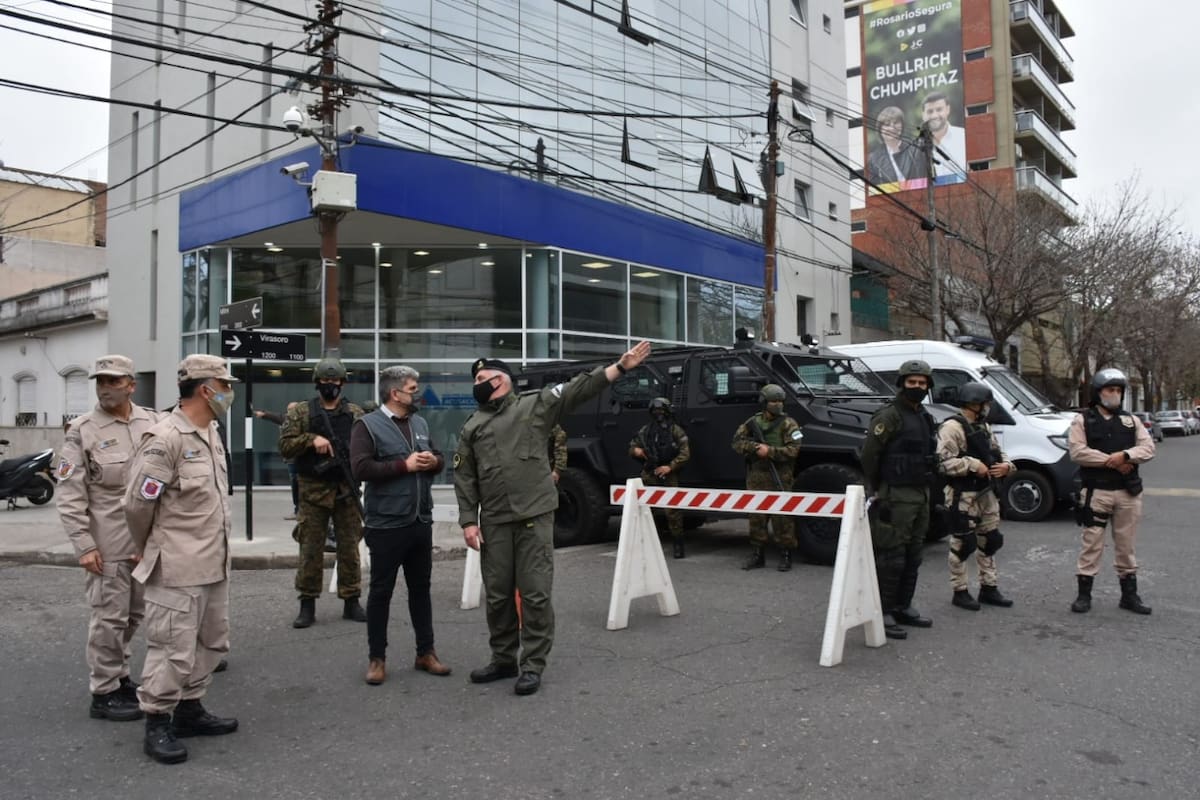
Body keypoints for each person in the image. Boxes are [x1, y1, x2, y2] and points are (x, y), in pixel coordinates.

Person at [455, 340, 652, 696]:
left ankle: (532, 664)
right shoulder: (473, 425)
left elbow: (579, 388)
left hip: (533, 516)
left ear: (501, 380)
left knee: (534, 594)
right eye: (475, 380)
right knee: (498, 595)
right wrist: (469, 520)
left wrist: (620, 367)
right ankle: (503, 659)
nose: (477, 384)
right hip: (495, 520)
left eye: (483, 378)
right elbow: (465, 477)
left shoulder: (535, 405)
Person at [123, 355, 239, 765]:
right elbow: (138, 504)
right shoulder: (165, 438)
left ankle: (190, 709)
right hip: (177, 565)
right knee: (172, 647)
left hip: (213, 560)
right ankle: (157, 720)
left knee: (211, 640)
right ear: (206, 390)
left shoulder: (210, 431)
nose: (230, 393)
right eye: (225, 386)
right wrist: (147, 544)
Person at [56, 355, 161, 722]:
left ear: (131, 385)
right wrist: (84, 545)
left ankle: (119, 675)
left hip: (143, 542)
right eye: (100, 381)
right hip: (108, 543)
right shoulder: (82, 430)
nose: (104, 388)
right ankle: (103, 692)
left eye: (113, 381)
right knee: (108, 618)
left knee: (133, 615)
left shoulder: (153, 423)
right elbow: (70, 494)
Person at [350, 366, 451, 686]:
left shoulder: (420, 423)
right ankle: (377, 659)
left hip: (420, 520)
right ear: (395, 393)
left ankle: (426, 652)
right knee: (381, 591)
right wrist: (403, 466)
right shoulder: (366, 425)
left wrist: (434, 461)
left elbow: (439, 457)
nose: (417, 393)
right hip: (386, 524)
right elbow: (360, 468)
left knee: (421, 590)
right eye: (412, 388)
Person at [279, 357, 366, 628]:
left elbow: (366, 446)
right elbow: (285, 446)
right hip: (313, 491)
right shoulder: (302, 412)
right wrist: (310, 439)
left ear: (342, 383)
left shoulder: (355, 413)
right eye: (326, 380)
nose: (330, 385)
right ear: (317, 383)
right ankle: (307, 604)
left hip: (345, 490)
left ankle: (351, 600)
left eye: (335, 380)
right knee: (310, 549)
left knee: (350, 547)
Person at [861, 360, 938, 640]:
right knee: (891, 556)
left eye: (922, 383)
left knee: (914, 554)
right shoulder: (889, 416)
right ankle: (883, 611)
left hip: (920, 494)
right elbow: (870, 455)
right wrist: (877, 488)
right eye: (911, 382)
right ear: (902, 383)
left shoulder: (924, 416)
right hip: (895, 495)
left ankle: (903, 606)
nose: (917, 387)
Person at [1068, 369, 1155, 615]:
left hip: (1127, 493)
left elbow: (1148, 448)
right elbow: (1078, 452)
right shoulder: (1083, 420)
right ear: (1098, 392)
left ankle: (1129, 596)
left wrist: (1126, 455)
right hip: (1097, 492)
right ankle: (1084, 595)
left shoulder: (1131, 421)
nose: (1115, 394)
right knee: (1091, 544)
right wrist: (1114, 461)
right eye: (1110, 390)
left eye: (1118, 390)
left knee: (1126, 546)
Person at [936, 381, 1016, 611]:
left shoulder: (984, 426)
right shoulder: (951, 428)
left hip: (987, 492)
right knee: (963, 543)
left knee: (990, 540)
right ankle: (960, 591)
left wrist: (1007, 466)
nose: (988, 408)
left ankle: (989, 588)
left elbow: (997, 452)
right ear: (974, 404)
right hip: (963, 494)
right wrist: (971, 465)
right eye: (985, 404)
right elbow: (942, 463)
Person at [730, 384, 802, 572]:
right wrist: (754, 448)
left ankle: (786, 554)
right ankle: (757, 555)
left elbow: (794, 450)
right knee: (757, 518)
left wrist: (770, 451)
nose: (777, 404)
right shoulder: (752, 422)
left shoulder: (790, 424)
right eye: (773, 401)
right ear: (764, 402)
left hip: (780, 476)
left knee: (782, 518)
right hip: (757, 477)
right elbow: (736, 443)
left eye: (780, 401)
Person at [629, 398, 692, 558]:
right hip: (650, 472)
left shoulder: (675, 430)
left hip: (668, 473)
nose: (658, 414)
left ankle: (678, 543)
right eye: (655, 411)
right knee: (643, 508)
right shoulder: (646, 431)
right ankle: (645, 541)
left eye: (661, 411)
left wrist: (670, 466)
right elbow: (632, 446)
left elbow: (685, 453)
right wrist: (636, 451)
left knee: (672, 511)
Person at [254, 404, 300, 519]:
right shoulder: (286, 420)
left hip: (301, 458)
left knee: (302, 485)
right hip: (292, 459)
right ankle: (298, 510)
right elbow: (276, 417)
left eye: (292, 410)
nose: (289, 412)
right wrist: (263, 414)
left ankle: (302, 511)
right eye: (288, 410)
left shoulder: (303, 420)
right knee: (295, 484)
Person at [867, 105, 918, 185]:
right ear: (879, 129)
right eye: (887, 124)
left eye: (896, 123)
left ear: (902, 126)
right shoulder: (872, 160)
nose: (892, 128)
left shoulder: (916, 150)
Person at [919, 91, 966, 179]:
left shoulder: (964, 137)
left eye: (939, 110)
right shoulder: (916, 148)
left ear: (948, 109)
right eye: (930, 111)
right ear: (923, 115)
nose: (934, 115)